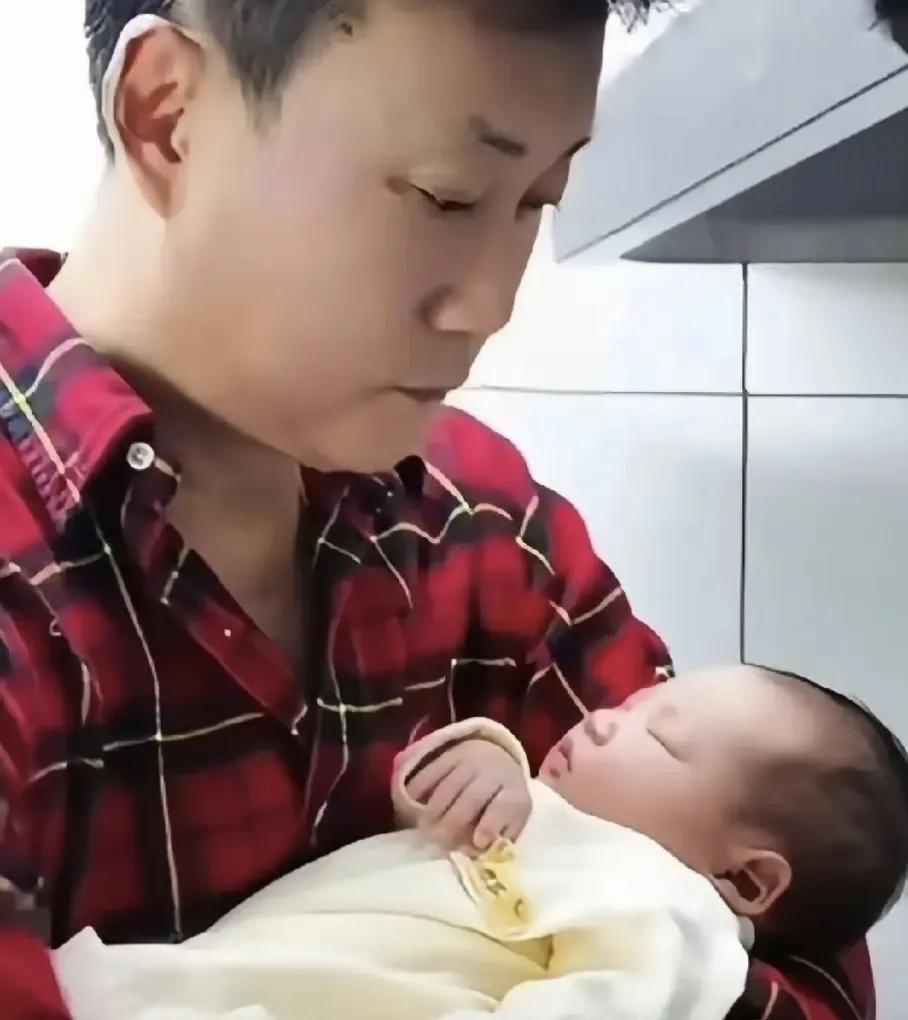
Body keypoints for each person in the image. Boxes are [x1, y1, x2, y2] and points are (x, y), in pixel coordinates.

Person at [0, 1, 883, 1018]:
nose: (489, 307)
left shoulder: (485, 522)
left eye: (537, 201)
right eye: (444, 195)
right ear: (168, 114)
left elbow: (794, 940)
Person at [51, 666, 908, 1020]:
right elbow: (420, 822)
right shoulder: (545, 809)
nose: (604, 719)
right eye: (635, 704)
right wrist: (487, 758)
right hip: (217, 972)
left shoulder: (671, 911)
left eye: (662, 737)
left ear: (745, 880)